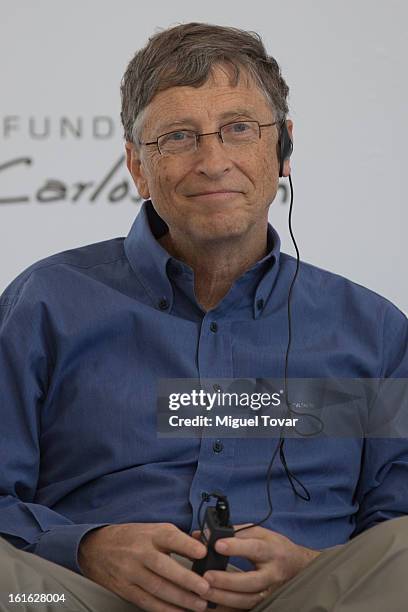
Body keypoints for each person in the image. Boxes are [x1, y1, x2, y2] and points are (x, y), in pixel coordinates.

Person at [0, 22, 407, 612]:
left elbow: (394, 521)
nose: (213, 162)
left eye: (238, 129)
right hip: (83, 599)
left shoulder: (374, 331)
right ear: (137, 167)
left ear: (282, 150)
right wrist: (85, 549)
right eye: (179, 136)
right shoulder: (45, 304)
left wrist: (313, 568)